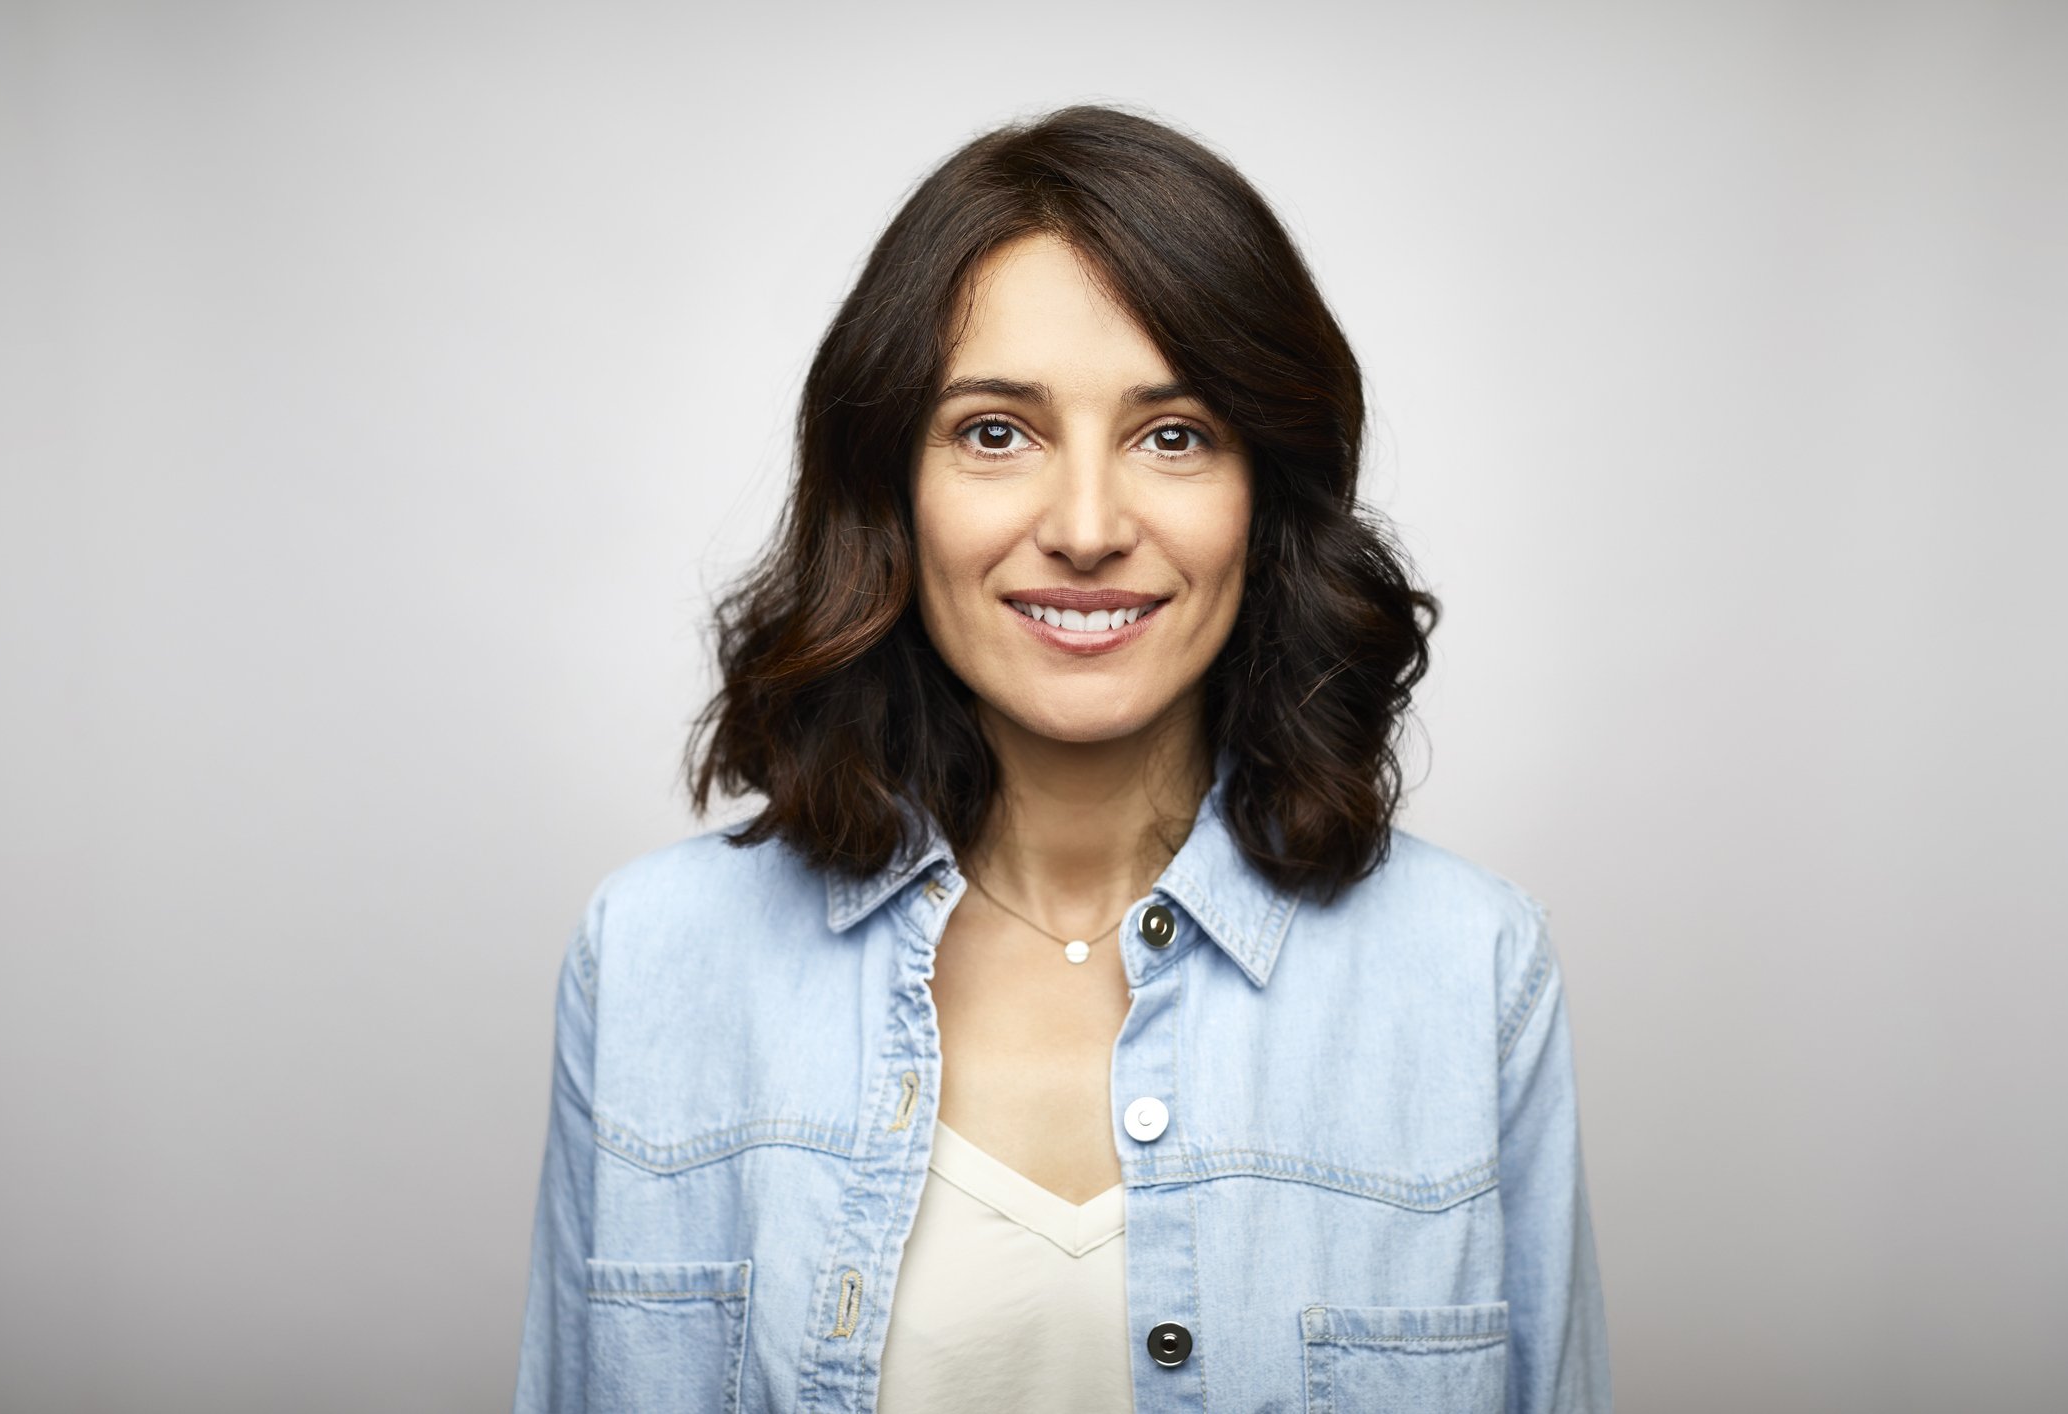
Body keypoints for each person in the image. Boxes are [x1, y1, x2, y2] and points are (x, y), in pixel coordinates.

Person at [512, 104, 1612, 1414]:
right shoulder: (652, 959)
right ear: (889, 489)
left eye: (1174, 433)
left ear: (1265, 498)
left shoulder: (1468, 970)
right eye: (994, 431)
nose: (1086, 527)